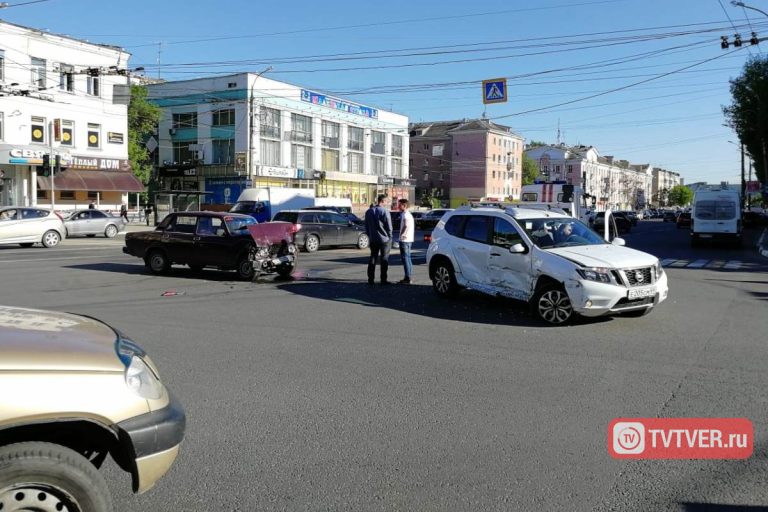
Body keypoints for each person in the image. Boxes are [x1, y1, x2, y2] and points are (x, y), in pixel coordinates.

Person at [364, 194, 393, 285]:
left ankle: (371, 279)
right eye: (386, 201)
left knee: (373, 258)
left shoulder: (368, 212)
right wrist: (390, 237)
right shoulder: (385, 211)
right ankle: (383, 279)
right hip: (384, 239)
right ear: (382, 201)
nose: (387, 203)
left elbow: (366, 226)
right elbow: (389, 226)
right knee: (384, 259)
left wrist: (370, 235)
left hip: (373, 239)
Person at [397, 198, 414, 284]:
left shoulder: (405, 214)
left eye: (399, 205)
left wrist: (402, 235)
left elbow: (406, 226)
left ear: (404, 205)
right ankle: (409, 276)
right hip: (408, 240)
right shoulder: (407, 214)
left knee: (405, 259)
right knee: (408, 258)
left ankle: (408, 278)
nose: (398, 206)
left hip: (405, 240)